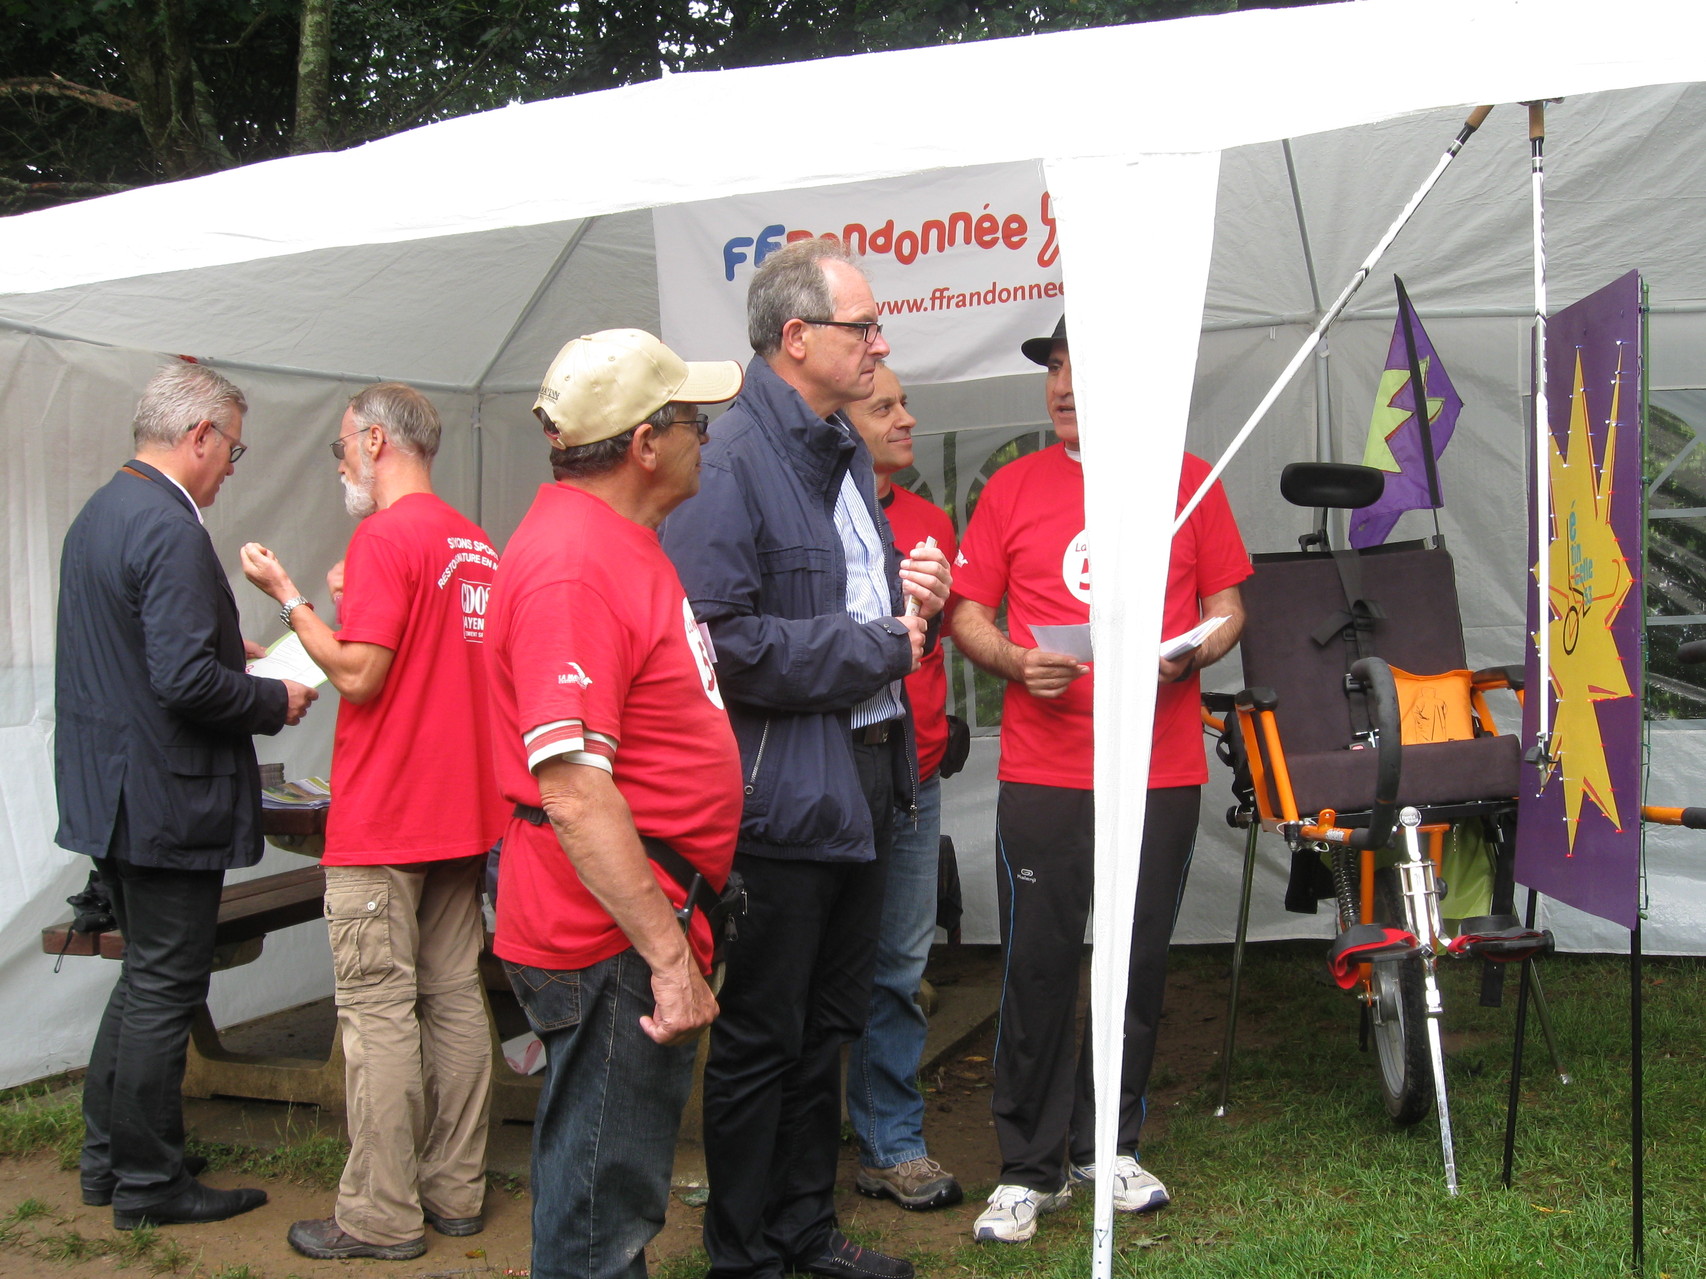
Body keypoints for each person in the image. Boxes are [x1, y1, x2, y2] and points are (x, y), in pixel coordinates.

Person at [663, 237, 951, 1279]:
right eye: (862, 326)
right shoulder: (731, 457)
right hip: (781, 795)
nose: (880, 342)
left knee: (826, 1024)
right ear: (796, 339)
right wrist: (877, 643)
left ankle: (800, 1232)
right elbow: (718, 640)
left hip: (867, 777)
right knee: (761, 1035)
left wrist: (904, 603)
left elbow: (837, 607)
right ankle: (743, 1254)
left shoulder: (835, 451)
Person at [951, 316, 1251, 1244]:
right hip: (1045, 770)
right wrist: (1011, 661)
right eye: (1054, 369)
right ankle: (1027, 1167)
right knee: (1039, 962)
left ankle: (1107, 1145)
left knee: (1138, 959)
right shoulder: (1012, 485)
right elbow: (967, 612)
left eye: (1082, 369)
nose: (1063, 386)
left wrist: (1191, 651)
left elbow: (1227, 609)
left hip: (1156, 768)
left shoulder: (1191, 478)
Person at [487, 329, 745, 1279]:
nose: (704, 437)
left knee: (609, 1182)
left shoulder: (608, 542)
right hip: (610, 933)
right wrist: (667, 954)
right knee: (601, 1199)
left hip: (628, 919)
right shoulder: (573, 563)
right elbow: (572, 789)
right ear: (644, 442)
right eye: (691, 420)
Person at [239, 382, 505, 1262]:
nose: (341, 461)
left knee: (379, 1012)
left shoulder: (388, 534)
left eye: (344, 444)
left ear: (379, 441)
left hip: (387, 814)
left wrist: (289, 597)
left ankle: (380, 1216)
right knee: (456, 995)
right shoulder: (474, 543)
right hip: (462, 812)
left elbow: (360, 676)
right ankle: (456, 1191)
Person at [54, 360, 316, 1230]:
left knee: (145, 983)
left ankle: (110, 1160)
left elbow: (140, 652)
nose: (232, 466)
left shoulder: (103, 511)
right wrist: (275, 696)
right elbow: (180, 682)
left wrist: (221, 642)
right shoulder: (170, 526)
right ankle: (149, 1185)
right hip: (166, 796)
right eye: (233, 449)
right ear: (197, 434)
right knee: (167, 986)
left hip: (115, 792)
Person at [842, 363, 962, 1211]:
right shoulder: (813, 517)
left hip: (914, 780)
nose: (907, 419)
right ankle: (802, 1149)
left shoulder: (929, 521)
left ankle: (893, 1140)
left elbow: (949, 636)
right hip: (832, 776)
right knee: (817, 968)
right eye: (885, 407)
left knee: (899, 965)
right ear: (843, 421)